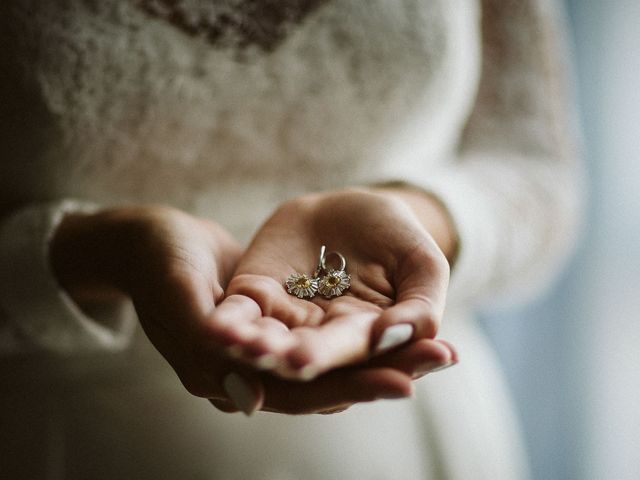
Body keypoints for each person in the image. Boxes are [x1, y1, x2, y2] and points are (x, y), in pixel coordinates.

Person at [0, 0, 582, 478]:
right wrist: (104, 250)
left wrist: (413, 223)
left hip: (411, 443)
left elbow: (536, 178)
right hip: (70, 437)